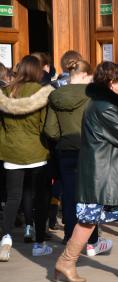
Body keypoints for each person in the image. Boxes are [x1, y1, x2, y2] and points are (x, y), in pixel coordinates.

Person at [53, 61, 118, 282]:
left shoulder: (102, 105)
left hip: (113, 172)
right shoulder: (104, 107)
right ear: (111, 83)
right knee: (89, 220)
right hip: (104, 175)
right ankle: (66, 261)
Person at [44, 59, 113, 255]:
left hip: (65, 150)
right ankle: (91, 241)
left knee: (69, 193)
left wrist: (63, 139)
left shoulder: (55, 95)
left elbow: (50, 129)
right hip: (91, 151)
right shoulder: (94, 95)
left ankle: (69, 237)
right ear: (84, 75)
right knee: (91, 196)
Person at [0, 55, 55, 260]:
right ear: (37, 71)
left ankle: (5, 239)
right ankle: (38, 242)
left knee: (13, 197)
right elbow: (45, 126)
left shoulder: (5, 92)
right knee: (38, 197)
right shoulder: (41, 94)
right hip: (36, 150)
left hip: (11, 151)